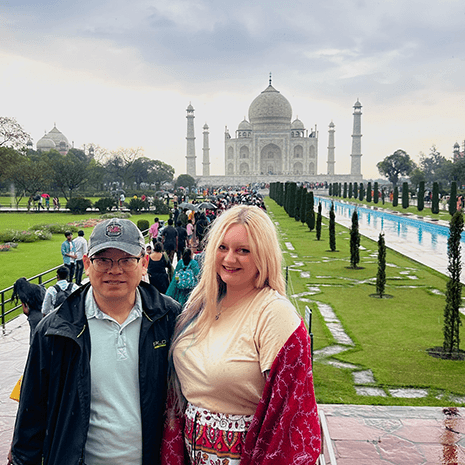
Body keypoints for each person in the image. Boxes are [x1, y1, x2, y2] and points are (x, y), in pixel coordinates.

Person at [10, 218, 182, 465]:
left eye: (126, 259)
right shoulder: (54, 330)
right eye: (103, 260)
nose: (115, 270)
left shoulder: (169, 318)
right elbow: (31, 415)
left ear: (144, 263)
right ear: (87, 264)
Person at [162, 205, 321, 464]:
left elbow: (291, 416)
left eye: (243, 251)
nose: (229, 259)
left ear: (263, 255)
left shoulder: (273, 313)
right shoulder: (201, 304)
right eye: (222, 247)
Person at [12, 278, 45, 344]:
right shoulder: (37, 287)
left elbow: (25, 311)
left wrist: (30, 315)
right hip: (43, 313)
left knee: (34, 337)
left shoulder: (23, 295)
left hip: (34, 316)